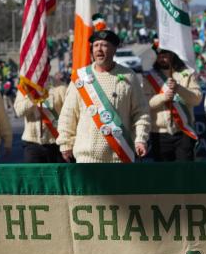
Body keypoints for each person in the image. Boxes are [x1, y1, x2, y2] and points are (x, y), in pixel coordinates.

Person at [57, 29, 150, 163]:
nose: (99, 50)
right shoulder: (80, 78)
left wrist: (140, 139)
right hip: (86, 157)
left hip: (120, 156)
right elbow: (68, 114)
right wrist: (65, 142)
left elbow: (141, 113)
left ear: (114, 49)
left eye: (104, 45)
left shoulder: (129, 76)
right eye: (96, 45)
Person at [142, 48, 202, 162]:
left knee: (185, 172)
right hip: (159, 133)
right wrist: (163, 97)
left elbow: (197, 99)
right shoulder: (149, 77)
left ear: (173, 54)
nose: (161, 58)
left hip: (183, 131)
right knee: (164, 174)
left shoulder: (187, 73)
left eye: (165, 55)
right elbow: (145, 103)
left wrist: (179, 88)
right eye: (159, 55)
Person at [14, 73, 68, 163]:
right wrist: (34, 100)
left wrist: (67, 143)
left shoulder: (61, 87)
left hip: (55, 143)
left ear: (49, 67)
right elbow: (19, 111)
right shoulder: (25, 87)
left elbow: (68, 116)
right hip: (32, 143)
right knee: (33, 177)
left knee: (56, 176)